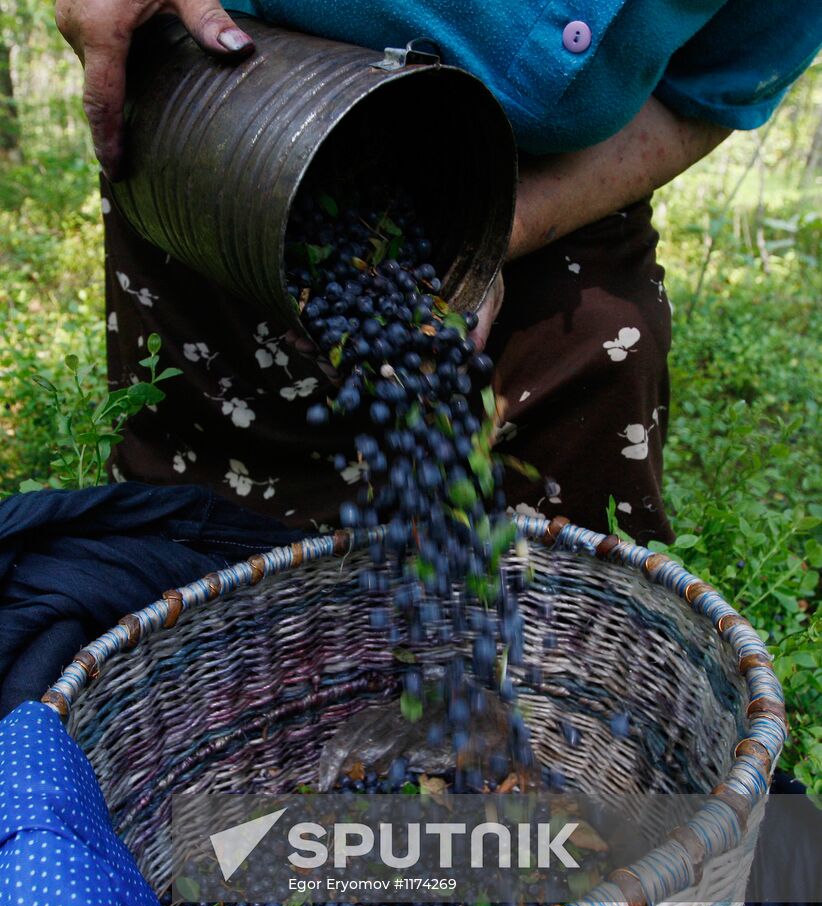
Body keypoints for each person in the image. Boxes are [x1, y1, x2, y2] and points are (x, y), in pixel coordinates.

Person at [55, 0, 821, 543]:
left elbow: (706, 90)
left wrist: (493, 229)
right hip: (244, 129)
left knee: (548, 583)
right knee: (211, 558)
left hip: (557, 181)